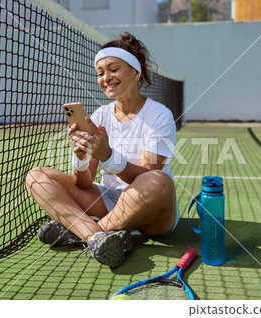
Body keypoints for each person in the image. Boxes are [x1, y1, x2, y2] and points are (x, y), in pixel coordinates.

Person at [25, 32, 179, 268]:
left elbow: (148, 174)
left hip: (152, 212)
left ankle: (83, 232)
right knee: (37, 177)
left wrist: (108, 157)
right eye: (100, 72)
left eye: (113, 69)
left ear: (135, 73)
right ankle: (96, 237)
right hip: (110, 200)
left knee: (159, 181)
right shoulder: (99, 117)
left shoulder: (160, 115)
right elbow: (84, 183)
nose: (106, 77)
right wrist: (81, 159)